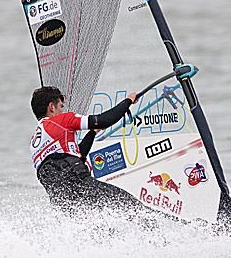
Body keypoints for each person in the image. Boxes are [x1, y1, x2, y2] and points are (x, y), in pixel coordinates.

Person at [29, 85, 157, 219]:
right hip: (82, 186)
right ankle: (159, 239)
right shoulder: (61, 120)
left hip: (65, 204)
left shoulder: (34, 142)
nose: (62, 110)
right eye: (60, 106)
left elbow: (75, 157)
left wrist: (93, 132)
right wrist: (128, 101)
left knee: (100, 228)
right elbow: (104, 120)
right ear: (51, 107)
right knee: (135, 209)